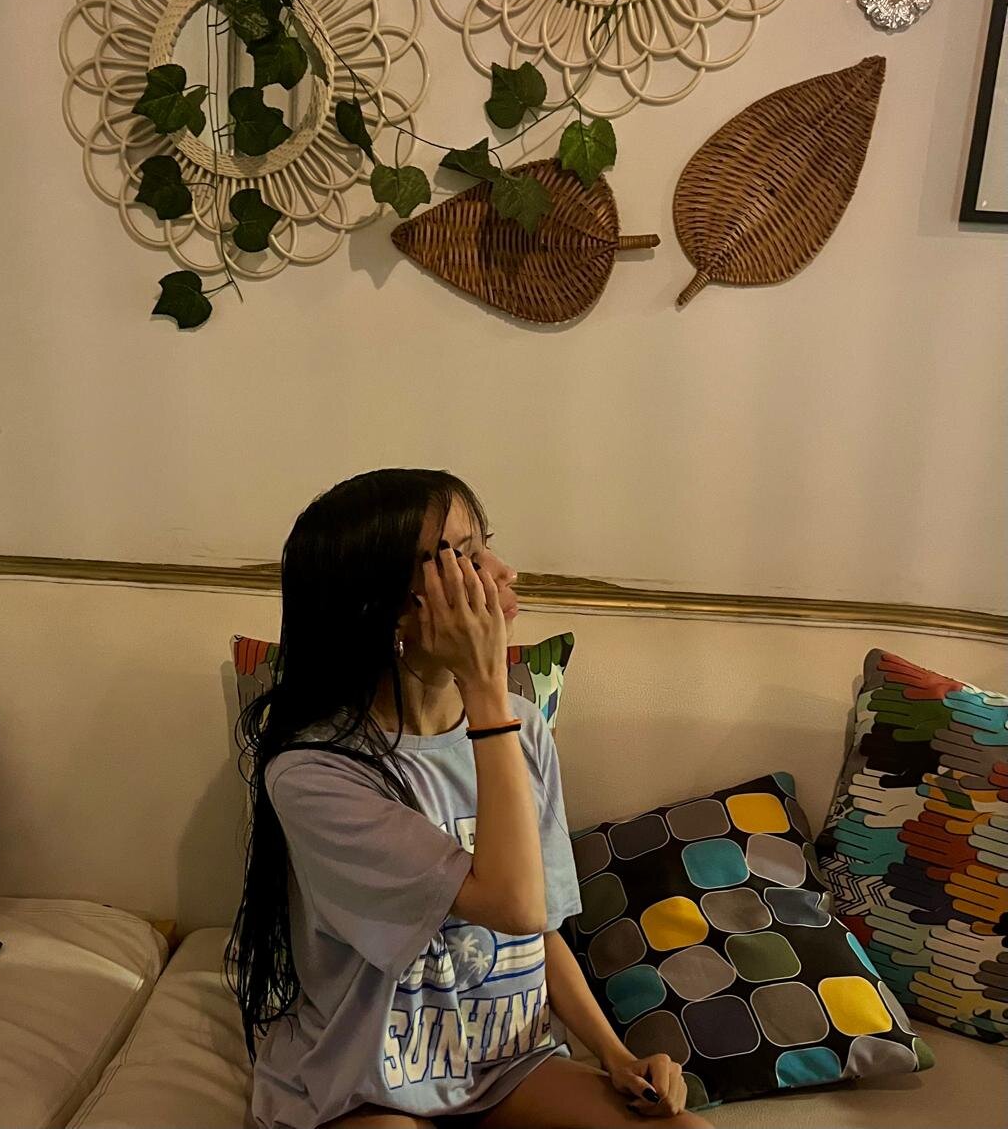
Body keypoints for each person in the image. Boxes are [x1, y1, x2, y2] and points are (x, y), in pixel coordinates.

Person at [227, 469, 711, 1129]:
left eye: (487, 546)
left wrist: (614, 1053)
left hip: (505, 1064)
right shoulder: (314, 772)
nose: (504, 572)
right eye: (465, 556)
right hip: (372, 1078)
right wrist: (483, 686)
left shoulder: (521, 727)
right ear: (393, 605)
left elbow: (538, 926)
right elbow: (511, 903)